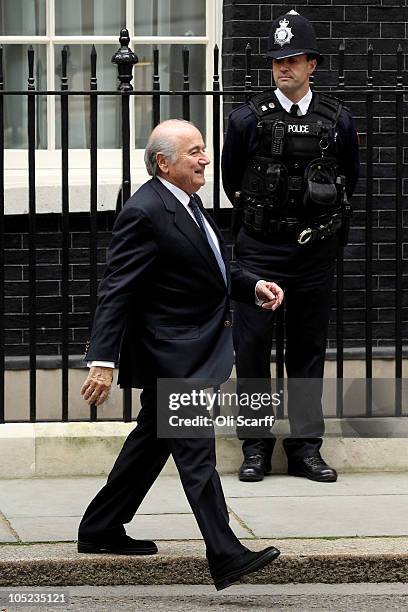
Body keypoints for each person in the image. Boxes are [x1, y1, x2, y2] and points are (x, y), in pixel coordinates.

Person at [77, 119, 284, 591]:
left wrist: (252, 285)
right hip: (173, 356)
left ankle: (100, 526)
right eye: (194, 151)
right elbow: (116, 290)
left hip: (189, 350)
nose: (205, 158)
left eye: (204, 149)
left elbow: (213, 268)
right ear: (163, 163)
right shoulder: (146, 211)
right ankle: (226, 553)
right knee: (196, 457)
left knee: (150, 442)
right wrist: (103, 360)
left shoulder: (186, 205)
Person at [222, 10, 359, 483]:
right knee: (254, 348)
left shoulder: (337, 120)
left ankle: (304, 448)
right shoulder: (247, 119)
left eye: (294, 59)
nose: (285, 67)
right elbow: (231, 180)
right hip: (261, 250)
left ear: (312, 64)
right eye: (278, 60)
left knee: (307, 351)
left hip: (313, 255)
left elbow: (350, 179)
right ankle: (256, 446)